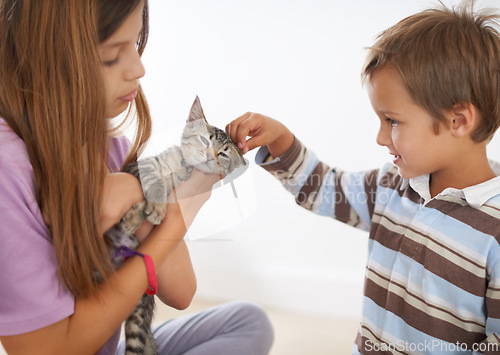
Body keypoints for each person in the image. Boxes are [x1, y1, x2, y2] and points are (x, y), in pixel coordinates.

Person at [0, 1, 273, 354]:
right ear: (50, 63)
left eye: (136, 43)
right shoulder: (9, 169)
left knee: (247, 321)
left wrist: (133, 186)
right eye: (113, 56)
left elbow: (181, 290)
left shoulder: (110, 148)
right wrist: (174, 218)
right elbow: (49, 350)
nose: (139, 68)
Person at [227, 1, 500, 354]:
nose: (381, 137)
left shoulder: (494, 232)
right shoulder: (392, 184)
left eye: (393, 121)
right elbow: (326, 190)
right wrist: (281, 140)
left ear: (459, 120)